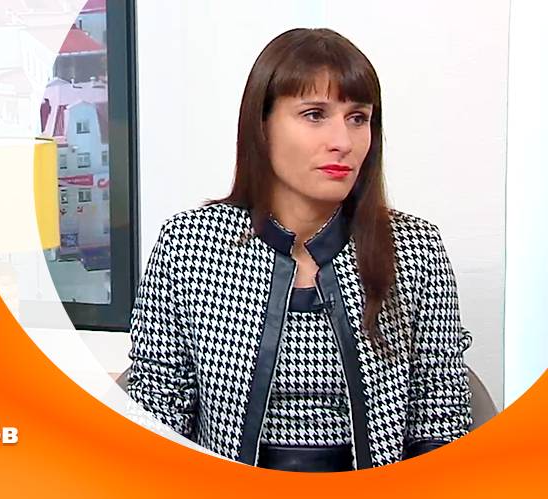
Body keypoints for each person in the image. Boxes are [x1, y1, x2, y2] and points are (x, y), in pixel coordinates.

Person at [126, 28, 472, 472]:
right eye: (314, 115)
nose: (343, 142)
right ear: (262, 126)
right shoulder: (189, 244)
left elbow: (440, 419)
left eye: (358, 118)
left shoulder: (415, 248)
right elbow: (156, 415)